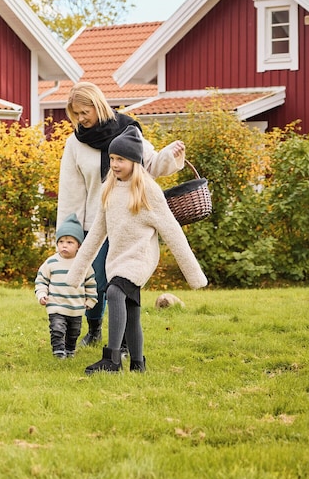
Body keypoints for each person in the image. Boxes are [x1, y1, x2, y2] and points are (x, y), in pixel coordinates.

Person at [66, 126, 207, 373]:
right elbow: (96, 235)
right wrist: (76, 273)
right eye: (112, 159)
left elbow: (171, 231)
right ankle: (138, 364)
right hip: (117, 259)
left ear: (134, 160)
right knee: (131, 311)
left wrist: (194, 276)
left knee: (114, 292)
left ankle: (111, 359)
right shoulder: (108, 189)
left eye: (121, 159)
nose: (115, 164)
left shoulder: (147, 190)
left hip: (141, 257)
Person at [57, 82, 186, 348]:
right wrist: (70, 231)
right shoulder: (75, 143)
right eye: (76, 114)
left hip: (130, 221)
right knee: (95, 281)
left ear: (98, 105)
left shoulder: (128, 130)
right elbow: (71, 190)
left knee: (122, 282)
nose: (81, 120)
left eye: (85, 112)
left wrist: (170, 155)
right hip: (95, 222)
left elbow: (150, 164)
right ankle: (94, 330)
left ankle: (125, 344)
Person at [34, 213, 98, 359]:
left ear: (78, 246)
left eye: (70, 242)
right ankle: (58, 351)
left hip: (75, 306)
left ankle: (70, 350)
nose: (64, 245)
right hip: (56, 305)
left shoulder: (83, 264)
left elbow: (91, 283)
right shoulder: (51, 262)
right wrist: (41, 294)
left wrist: (91, 300)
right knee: (57, 329)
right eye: (61, 241)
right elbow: (41, 280)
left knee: (74, 331)